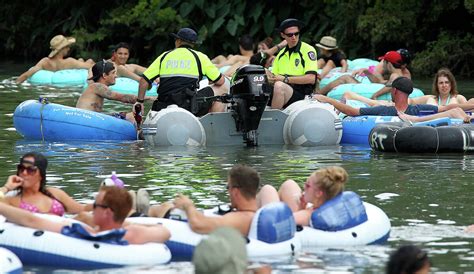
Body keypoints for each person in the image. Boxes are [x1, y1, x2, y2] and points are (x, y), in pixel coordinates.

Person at [0, 185, 170, 245]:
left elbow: (30, 219)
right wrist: (124, 224)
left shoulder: (79, 231)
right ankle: (139, 211)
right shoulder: (132, 234)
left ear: (107, 212)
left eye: (95, 205)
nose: (91, 208)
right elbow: (164, 232)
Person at [136, 28, 229, 116]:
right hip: (189, 107)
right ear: (193, 44)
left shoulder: (164, 56)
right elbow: (220, 81)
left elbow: (143, 81)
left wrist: (139, 102)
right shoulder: (200, 57)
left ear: (178, 41)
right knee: (223, 88)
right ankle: (210, 127)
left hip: (162, 107)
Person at [148, 164, 260, 236]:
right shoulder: (250, 213)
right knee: (166, 207)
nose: (228, 192)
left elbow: (198, 226)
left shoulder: (241, 219)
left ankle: (138, 213)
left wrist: (188, 205)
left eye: (228, 188)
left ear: (235, 191)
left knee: (164, 208)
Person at [0, 152, 91, 216]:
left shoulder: (54, 194)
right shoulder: (12, 199)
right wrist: (7, 187)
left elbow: (82, 209)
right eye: (21, 168)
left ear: (41, 175)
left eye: (30, 170)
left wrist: (102, 203)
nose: (24, 173)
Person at [257, 166, 347, 226]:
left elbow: (281, 224)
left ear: (319, 193)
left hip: (275, 225)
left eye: (308, 185)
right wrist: (302, 206)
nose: (304, 187)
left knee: (267, 189)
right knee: (289, 184)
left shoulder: (308, 215)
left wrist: (301, 210)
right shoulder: (323, 208)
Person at [342, 67, 467, 107]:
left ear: (451, 84)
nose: (444, 85)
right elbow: (411, 101)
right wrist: (394, 103)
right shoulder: (432, 98)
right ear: (437, 85)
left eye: (446, 82)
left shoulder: (459, 98)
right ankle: (352, 96)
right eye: (441, 83)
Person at [77, 60, 153, 124]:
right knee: (132, 116)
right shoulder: (97, 86)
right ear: (104, 75)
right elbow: (123, 97)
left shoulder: (95, 87)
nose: (116, 76)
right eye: (113, 73)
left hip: (89, 120)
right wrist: (148, 98)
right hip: (84, 121)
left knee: (127, 115)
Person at [266, 18, 318, 109]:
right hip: (284, 91)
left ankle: (274, 120)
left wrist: (285, 79)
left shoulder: (308, 50)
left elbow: (311, 78)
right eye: (290, 35)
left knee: (279, 86)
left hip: (303, 94)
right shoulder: (281, 54)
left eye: (296, 34)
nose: (294, 37)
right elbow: (275, 76)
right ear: (283, 35)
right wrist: (268, 76)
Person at [318, 50, 404, 97]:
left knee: (345, 78)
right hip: (373, 88)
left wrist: (375, 95)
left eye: (383, 62)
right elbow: (379, 83)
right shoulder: (398, 74)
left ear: (388, 64)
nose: (382, 65)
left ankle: (318, 94)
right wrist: (366, 71)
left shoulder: (395, 75)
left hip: (370, 92)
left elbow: (392, 85)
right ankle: (319, 93)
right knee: (346, 77)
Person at [16, 35, 94, 84]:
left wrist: (16, 82)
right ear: (62, 49)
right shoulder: (70, 62)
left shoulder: (45, 62)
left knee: (80, 60)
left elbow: (27, 75)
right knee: (88, 60)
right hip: (67, 85)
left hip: (51, 87)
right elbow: (92, 66)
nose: (68, 49)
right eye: (67, 47)